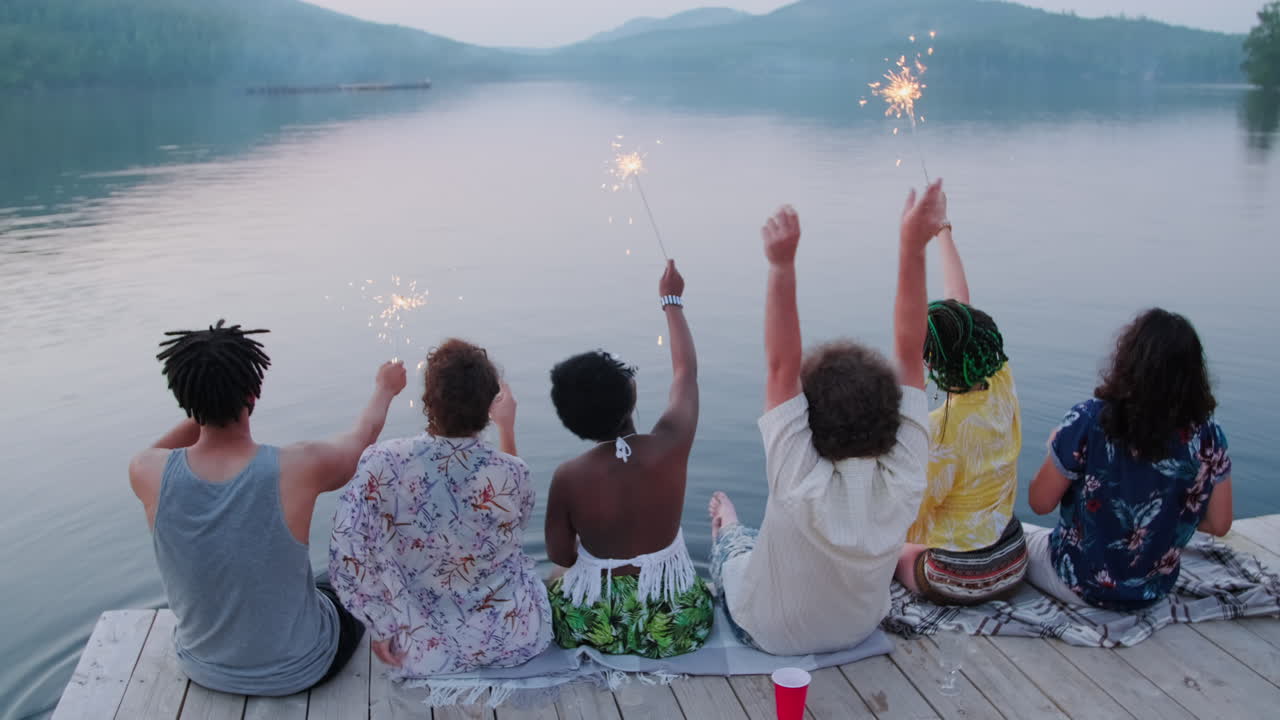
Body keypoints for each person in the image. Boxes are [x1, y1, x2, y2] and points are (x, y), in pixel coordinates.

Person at [707, 185, 943, 655]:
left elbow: (780, 366)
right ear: (891, 414)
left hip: (770, 636)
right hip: (859, 629)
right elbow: (911, 351)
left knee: (737, 548)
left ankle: (729, 527)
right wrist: (914, 246)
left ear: (805, 416)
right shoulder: (908, 469)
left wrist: (781, 265)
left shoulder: (796, 473)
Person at [128, 320, 406, 696]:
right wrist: (385, 389)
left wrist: (203, 397)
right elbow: (362, 440)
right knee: (350, 578)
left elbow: (158, 450)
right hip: (304, 667)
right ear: (254, 392)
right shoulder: (299, 466)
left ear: (181, 395)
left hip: (202, 666)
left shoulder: (146, 471)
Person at [329, 339, 551, 674]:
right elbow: (513, 528)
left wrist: (381, 624)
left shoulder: (383, 461)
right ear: (490, 405)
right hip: (510, 634)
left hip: (420, 645)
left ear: (427, 400)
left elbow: (348, 551)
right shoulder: (512, 471)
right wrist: (507, 427)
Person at [544, 260, 713, 659]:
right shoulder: (670, 445)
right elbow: (685, 372)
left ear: (571, 421)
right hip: (675, 623)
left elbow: (561, 556)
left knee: (555, 578)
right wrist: (672, 301)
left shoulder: (568, 477)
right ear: (631, 395)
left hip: (594, 625)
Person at [1025, 308, 1233, 610]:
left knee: (1017, 536)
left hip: (1079, 584)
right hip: (1152, 591)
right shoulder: (1209, 436)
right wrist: (1163, 518)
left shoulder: (1089, 419)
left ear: (1128, 360)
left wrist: (1055, 445)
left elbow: (1039, 503)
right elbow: (1219, 523)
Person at [893, 213, 1029, 606]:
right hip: (1012, 556)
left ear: (935, 366)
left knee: (883, 550)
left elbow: (909, 517)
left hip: (960, 578)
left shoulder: (940, 431)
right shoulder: (1002, 380)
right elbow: (961, 303)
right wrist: (943, 231)